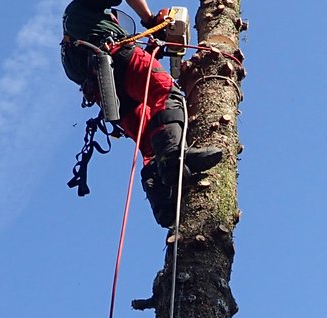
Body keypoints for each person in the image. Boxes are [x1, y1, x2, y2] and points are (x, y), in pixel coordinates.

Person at [61, 0, 222, 227]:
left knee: (148, 138)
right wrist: (150, 19)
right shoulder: (85, 6)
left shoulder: (75, 31)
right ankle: (173, 157)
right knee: (166, 93)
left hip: (105, 89)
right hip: (116, 56)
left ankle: (162, 199)